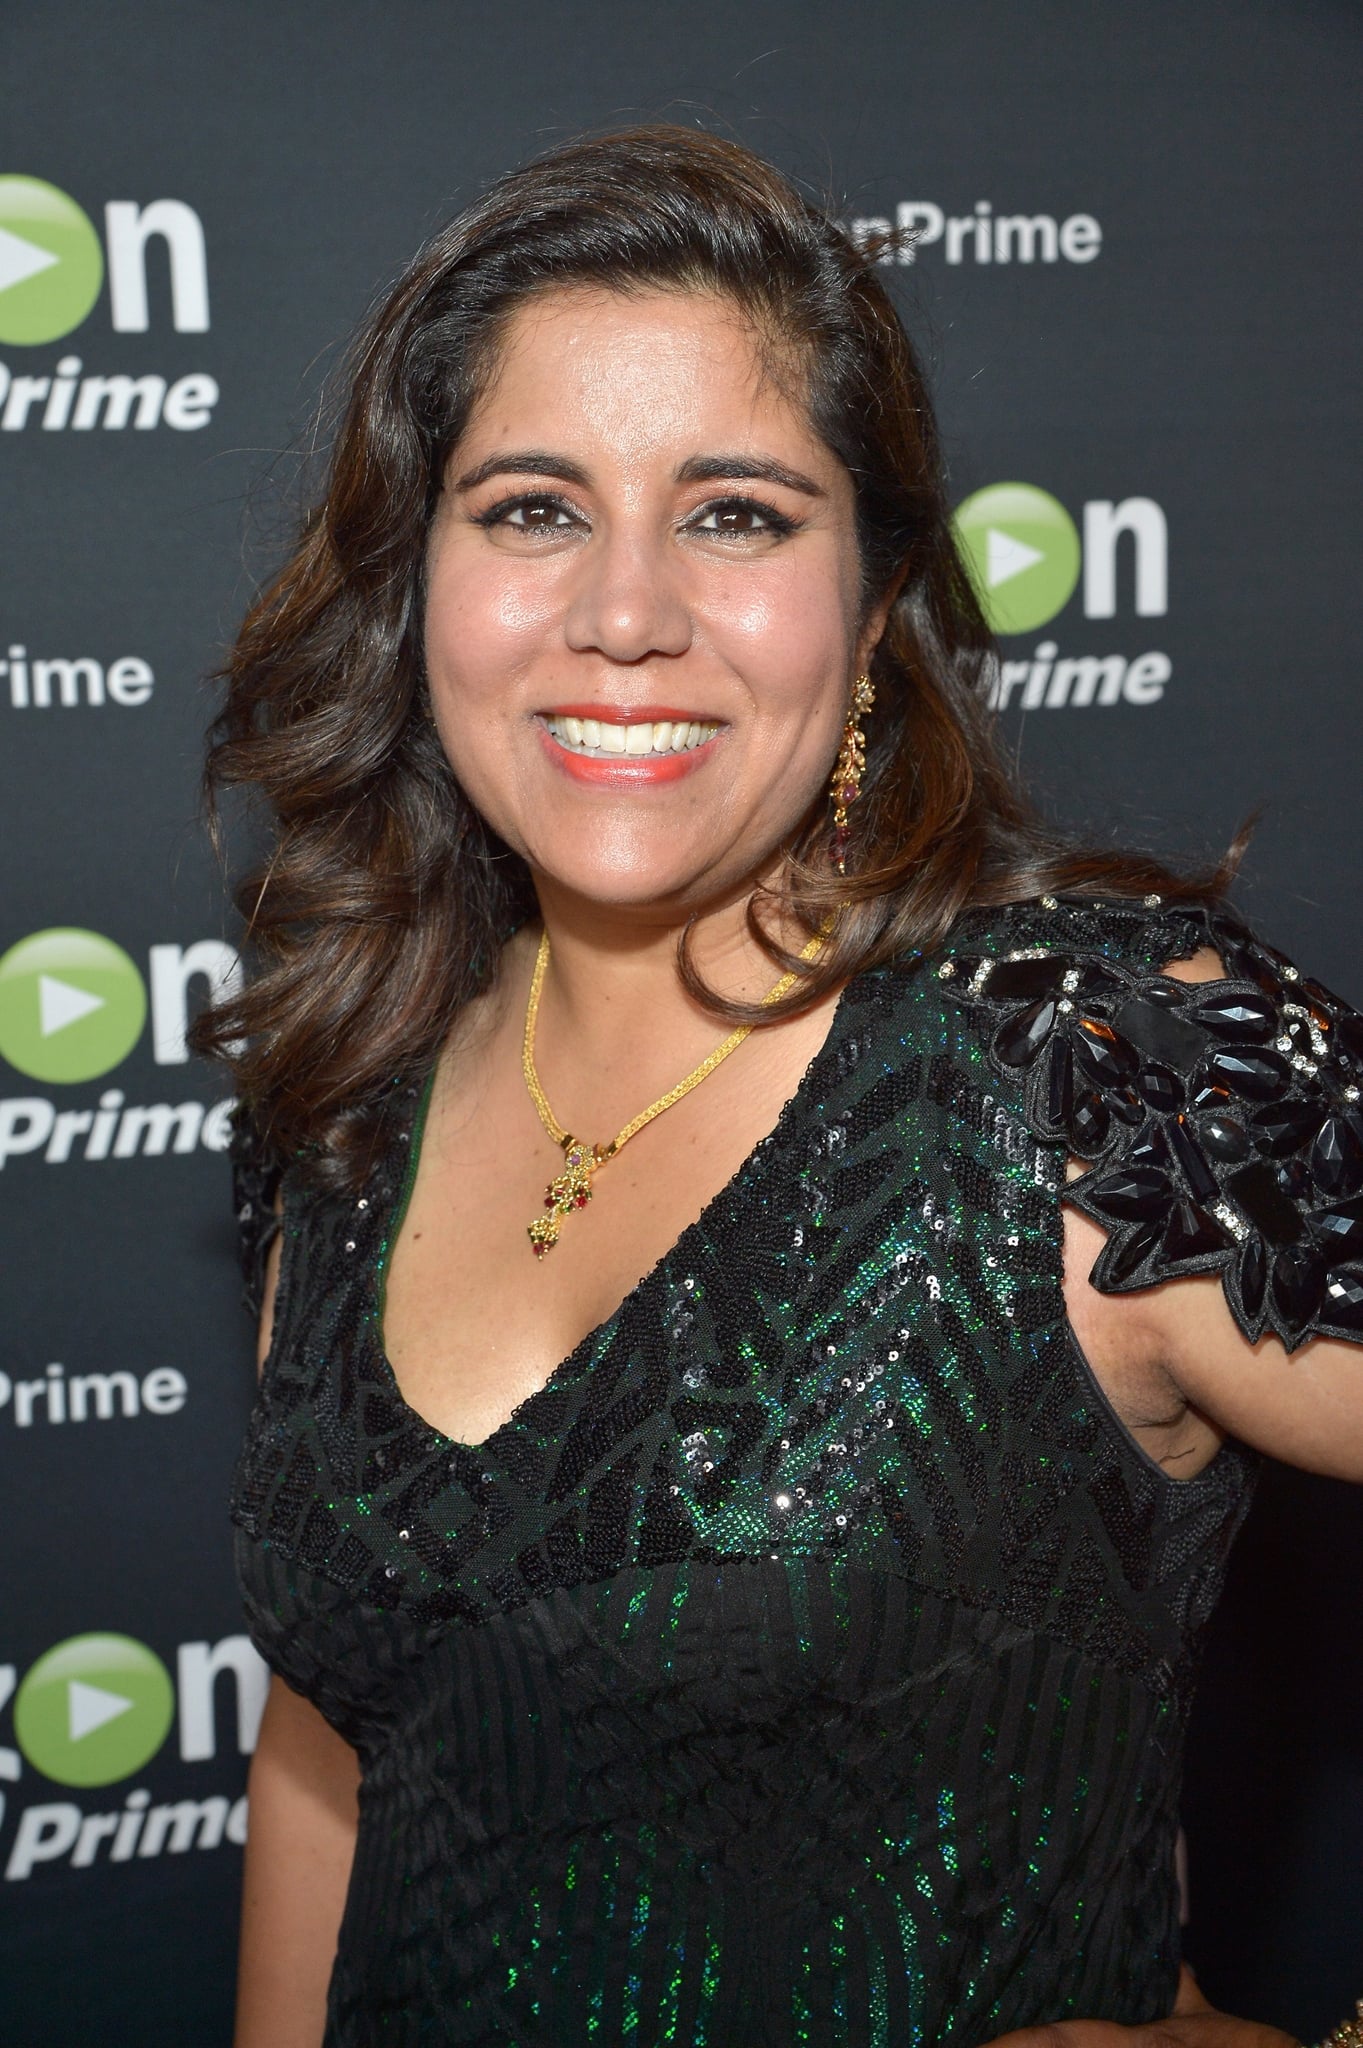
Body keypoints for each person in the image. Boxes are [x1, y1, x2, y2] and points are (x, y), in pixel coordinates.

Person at [197, 125, 1363, 2048]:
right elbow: (341, 1746)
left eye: (735, 514)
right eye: (532, 509)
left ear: (874, 593)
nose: (624, 612)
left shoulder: (1086, 1062)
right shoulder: (350, 1091)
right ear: (419, 581)